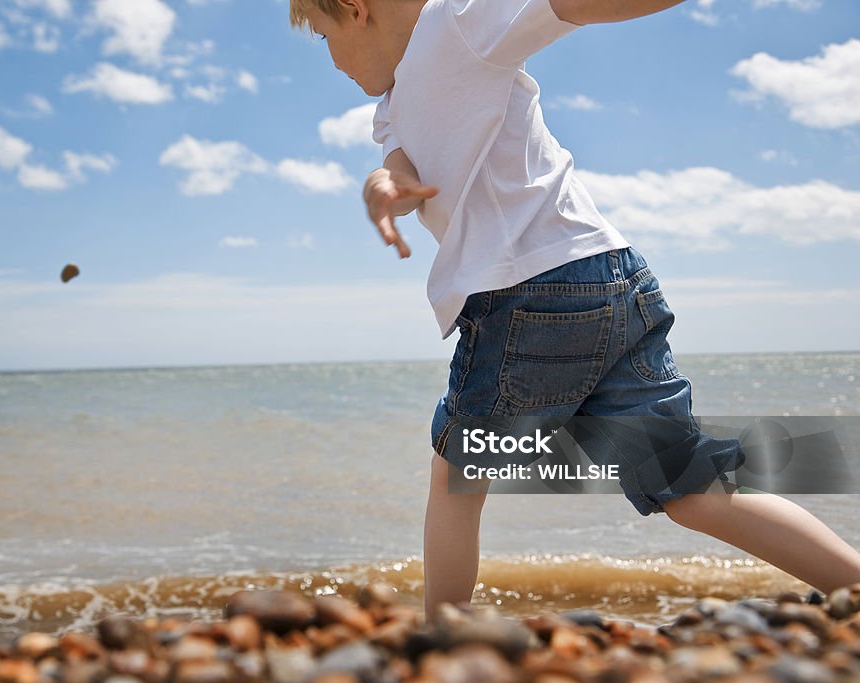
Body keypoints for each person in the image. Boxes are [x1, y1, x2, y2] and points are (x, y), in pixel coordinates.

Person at [289, 0, 860, 618]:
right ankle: (851, 581)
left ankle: (440, 633)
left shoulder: (453, 26)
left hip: (533, 295)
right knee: (689, 484)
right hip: (613, 280)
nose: (330, 58)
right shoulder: (393, 105)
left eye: (323, 36)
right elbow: (401, 167)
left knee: (458, 474)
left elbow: (565, 6)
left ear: (355, 10)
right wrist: (385, 187)